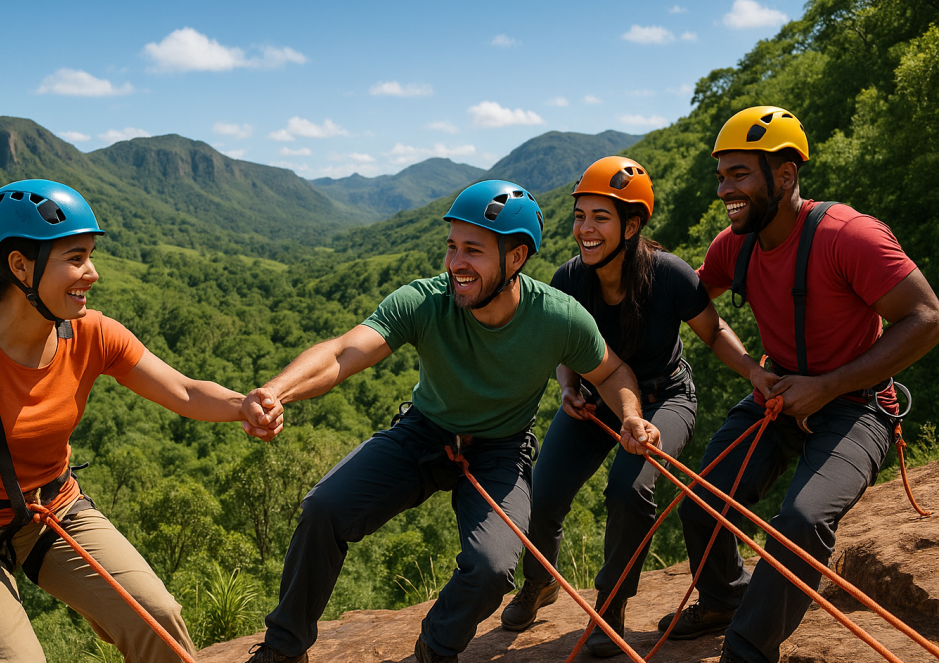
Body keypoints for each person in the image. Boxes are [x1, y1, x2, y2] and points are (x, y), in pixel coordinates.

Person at [0, 179, 282, 663]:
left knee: (157, 618)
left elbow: (183, 390)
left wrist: (242, 404)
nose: (93, 273)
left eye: (90, 256)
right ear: (20, 266)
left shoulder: (91, 334)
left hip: (54, 510)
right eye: (76, 258)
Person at [239, 180, 661, 663]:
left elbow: (611, 371)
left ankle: (435, 647)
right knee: (324, 508)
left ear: (517, 258)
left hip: (502, 449)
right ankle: (284, 648)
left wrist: (631, 415)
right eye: (452, 247)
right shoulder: (424, 301)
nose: (455, 263)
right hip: (424, 432)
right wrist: (276, 391)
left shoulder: (558, 318)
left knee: (493, 567)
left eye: (473, 251)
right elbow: (342, 351)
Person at [655, 106, 939, 663]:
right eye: (721, 176)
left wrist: (830, 385)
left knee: (802, 522)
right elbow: (687, 305)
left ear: (784, 175)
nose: (723, 190)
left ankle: (746, 653)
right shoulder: (732, 246)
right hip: (777, 395)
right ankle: (722, 599)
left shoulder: (847, 236)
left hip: (858, 405)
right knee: (702, 499)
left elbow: (927, 317)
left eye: (739, 174)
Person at [500, 156, 767, 657]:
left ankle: (611, 607)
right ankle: (539, 583)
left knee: (628, 489)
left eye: (600, 218)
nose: (585, 229)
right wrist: (567, 385)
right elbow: (565, 350)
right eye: (580, 216)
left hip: (665, 396)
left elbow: (713, 331)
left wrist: (755, 373)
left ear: (633, 223)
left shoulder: (669, 275)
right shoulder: (570, 280)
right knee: (544, 492)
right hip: (595, 400)